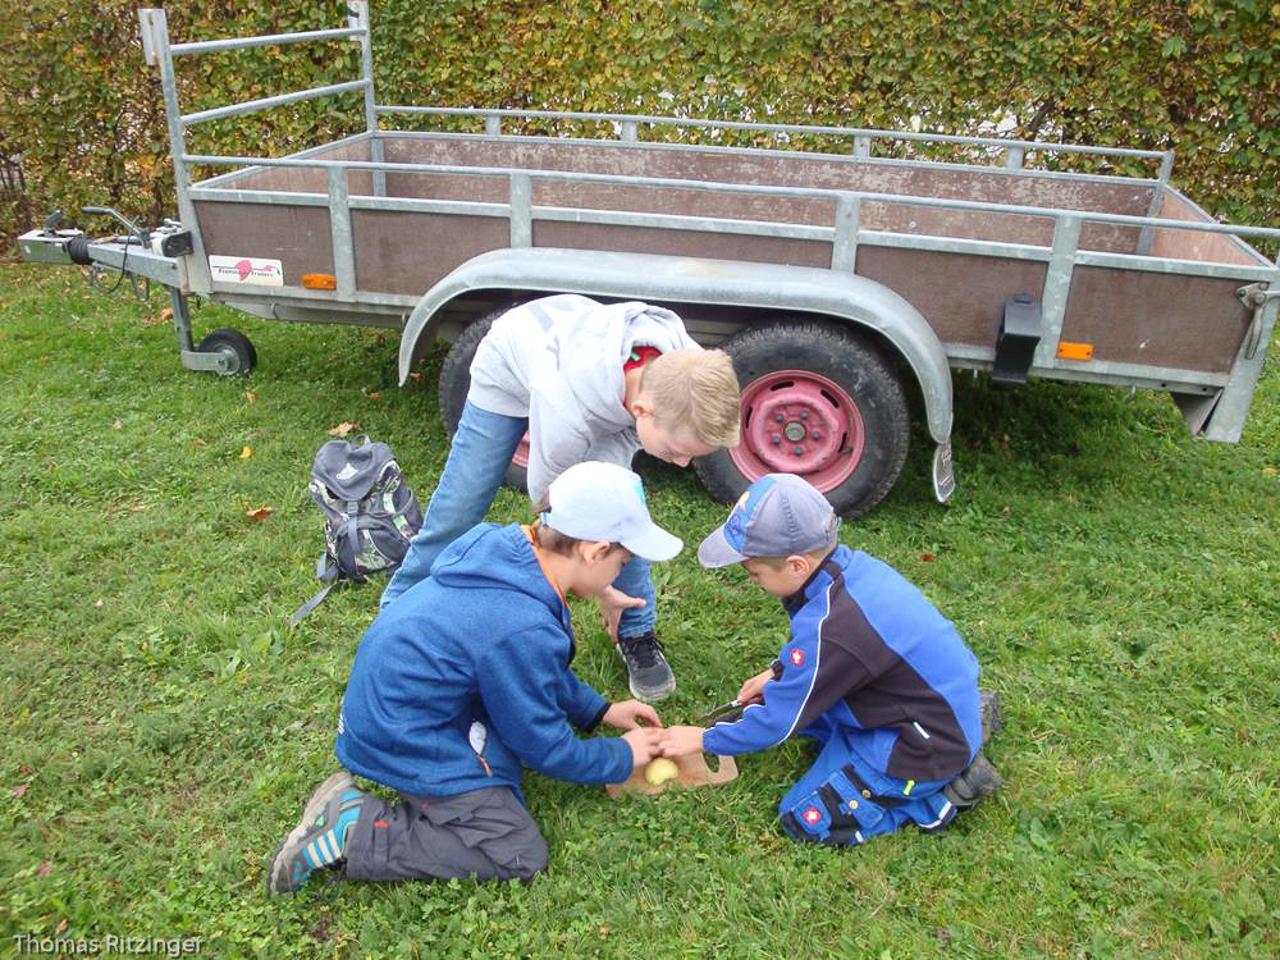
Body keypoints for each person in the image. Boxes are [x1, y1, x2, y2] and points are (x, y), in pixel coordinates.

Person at [267, 462, 681, 894]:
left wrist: (599, 710)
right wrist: (620, 756)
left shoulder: (511, 552)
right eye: (621, 563)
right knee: (517, 853)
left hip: (403, 706)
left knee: (503, 765)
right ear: (595, 551)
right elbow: (546, 747)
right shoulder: (521, 626)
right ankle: (354, 827)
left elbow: (531, 672)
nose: (618, 575)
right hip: (403, 734)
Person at [380, 294, 741, 702]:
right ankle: (395, 614)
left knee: (625, 512)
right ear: (643, 409)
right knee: (460, 508)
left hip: (596, 379)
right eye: (677, 451)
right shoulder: (567, 407)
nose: (682, 464)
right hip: (512, 363)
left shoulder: (686, 368)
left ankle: (636, 631)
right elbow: (555, 509)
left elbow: (618, 511)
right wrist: (602, 588)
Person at [660, 473, 1002, 846]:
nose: (752, 581)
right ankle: (966, 724)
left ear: (796, 565)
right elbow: (833, 656)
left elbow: (779, 722)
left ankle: (943, 796)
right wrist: (778, 672)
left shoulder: (836, 625)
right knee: (792, 708)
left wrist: (704, 739)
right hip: (929, 705)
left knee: (805, 821)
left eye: (754, 572)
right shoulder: (848, 573)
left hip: (920, 749)